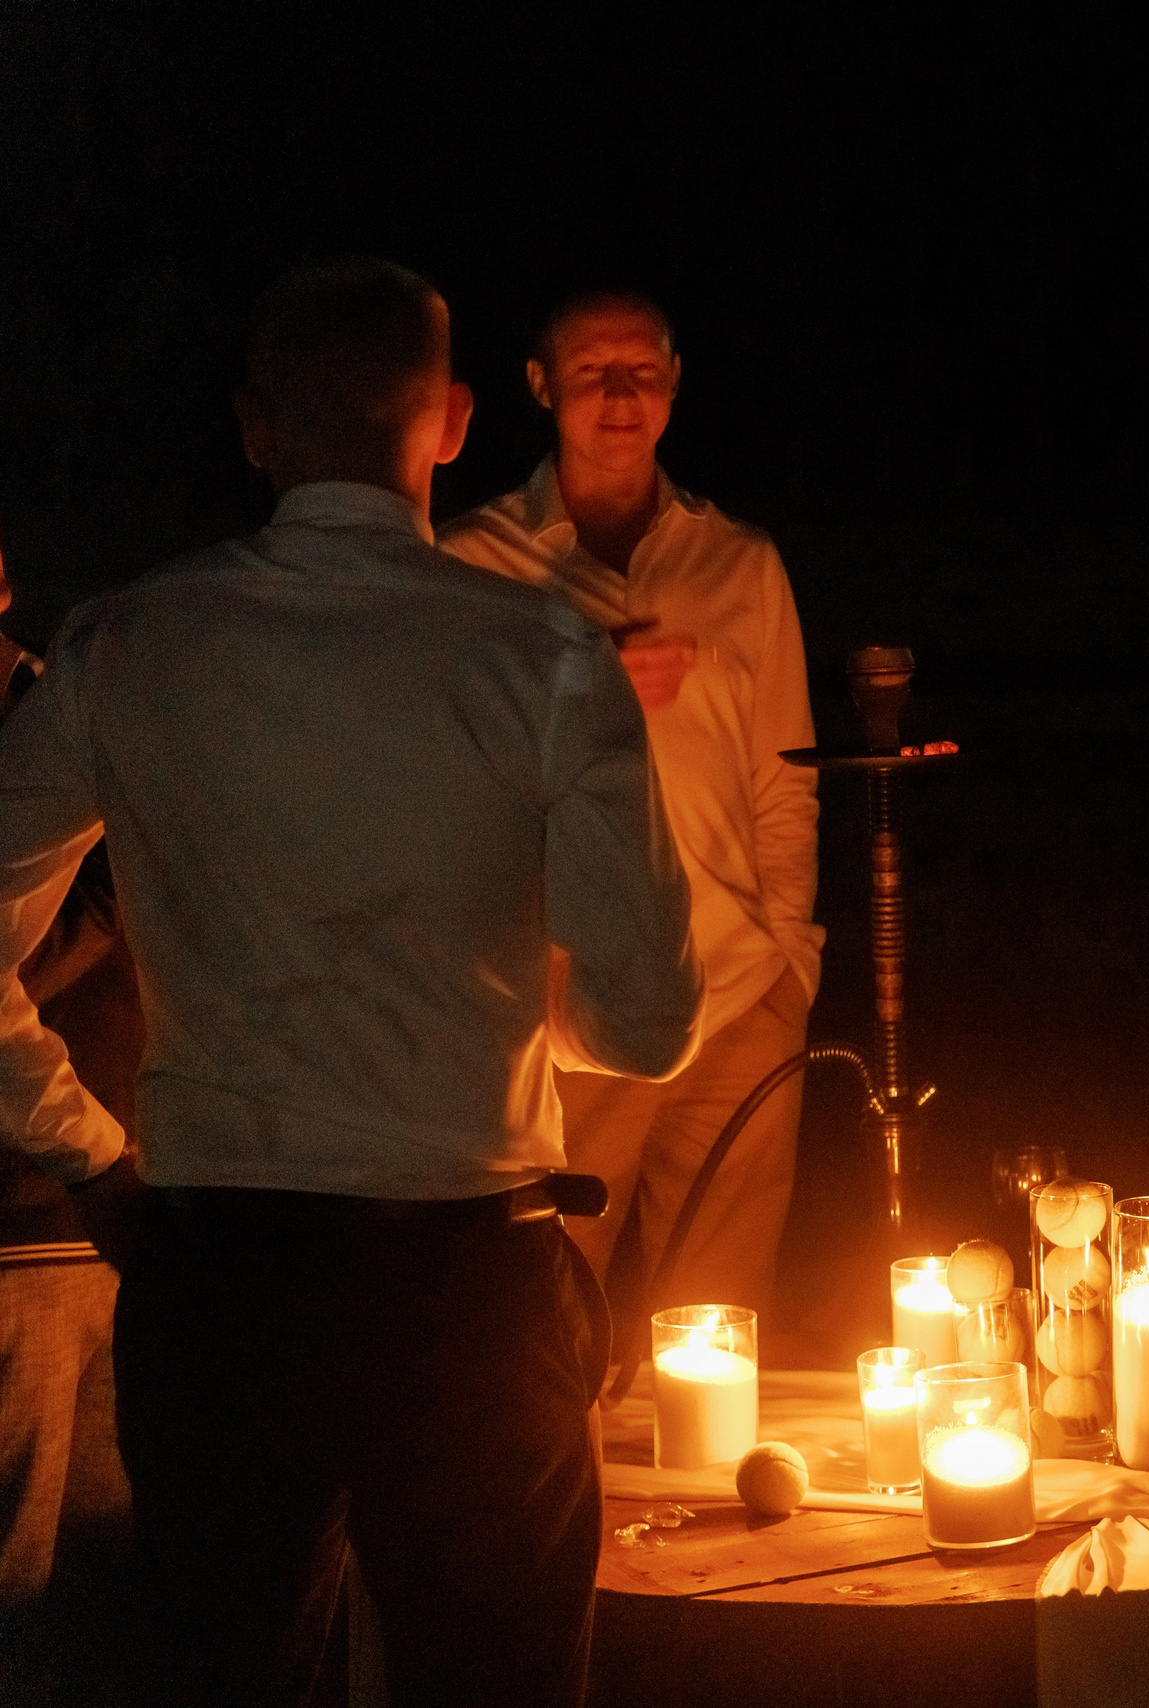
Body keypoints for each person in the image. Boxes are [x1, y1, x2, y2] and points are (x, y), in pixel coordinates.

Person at [0, 257, 702, 1705]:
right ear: (448, 422)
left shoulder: (133, 641)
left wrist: (81, 1147)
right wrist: (515, 1013)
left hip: (220, 1287)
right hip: (468, 1283)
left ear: (257, 427)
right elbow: (650, 1023)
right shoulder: (546, 659)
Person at [441, 290, 820, 1326]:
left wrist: (791, 960)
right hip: (566, 1004)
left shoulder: (739, 563)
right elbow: (447, 775)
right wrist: (582, 681)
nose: (620, 394)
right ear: (540, 384)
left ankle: (699, 1483)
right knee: (547, 1315)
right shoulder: (475, 564)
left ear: (674, 382)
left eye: (642, 370)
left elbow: (786, 777)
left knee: (719, 1325)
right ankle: (560, 1487)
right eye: (594, 370)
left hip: (738, 991)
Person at [0, 536, 146, 1707]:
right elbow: (50, 943)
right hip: (21, 1232)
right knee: (18, 1599)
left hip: (110, 1212)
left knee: (106, 1586)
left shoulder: (61, 708)